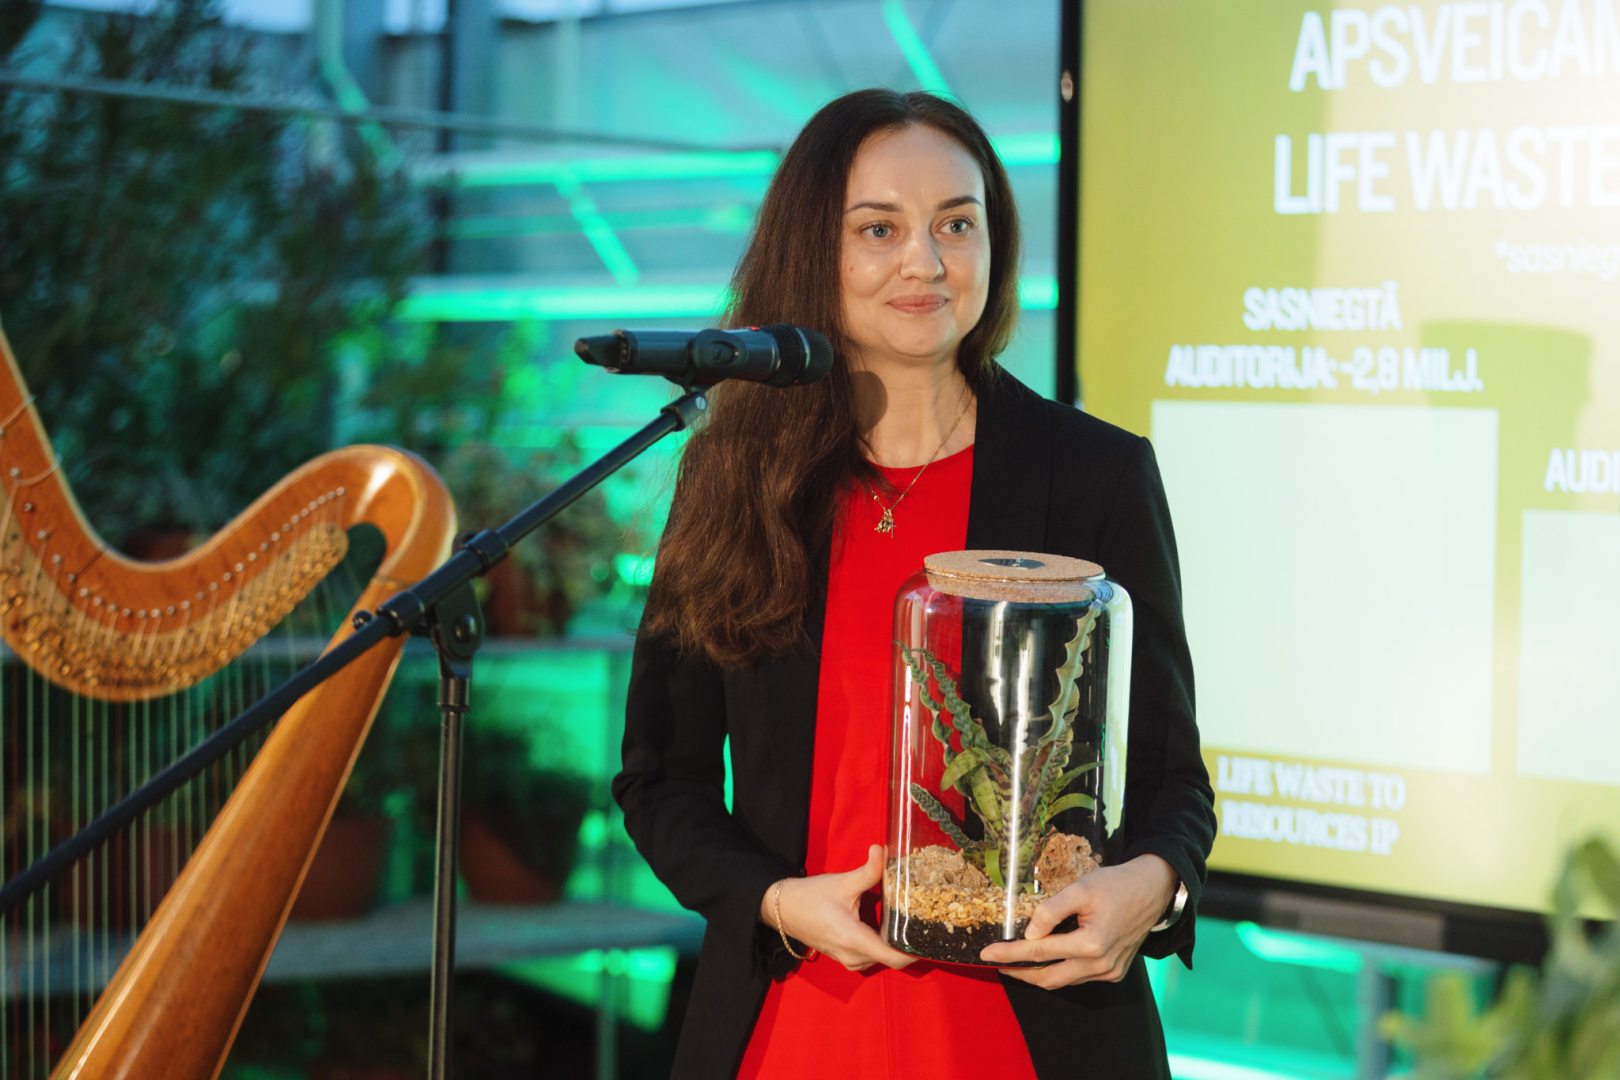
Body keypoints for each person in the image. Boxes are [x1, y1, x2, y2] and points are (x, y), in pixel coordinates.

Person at [613, 89, 1215, 1080]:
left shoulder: (1096, 475)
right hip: (791, 1020)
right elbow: (659, 779)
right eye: (879, 229)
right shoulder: (732, 475)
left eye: (956, 224)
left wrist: (1152, 887)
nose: (926, 262)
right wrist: (775, 900)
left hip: (1031, 1034)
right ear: (814, 249)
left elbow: (1170, 779)